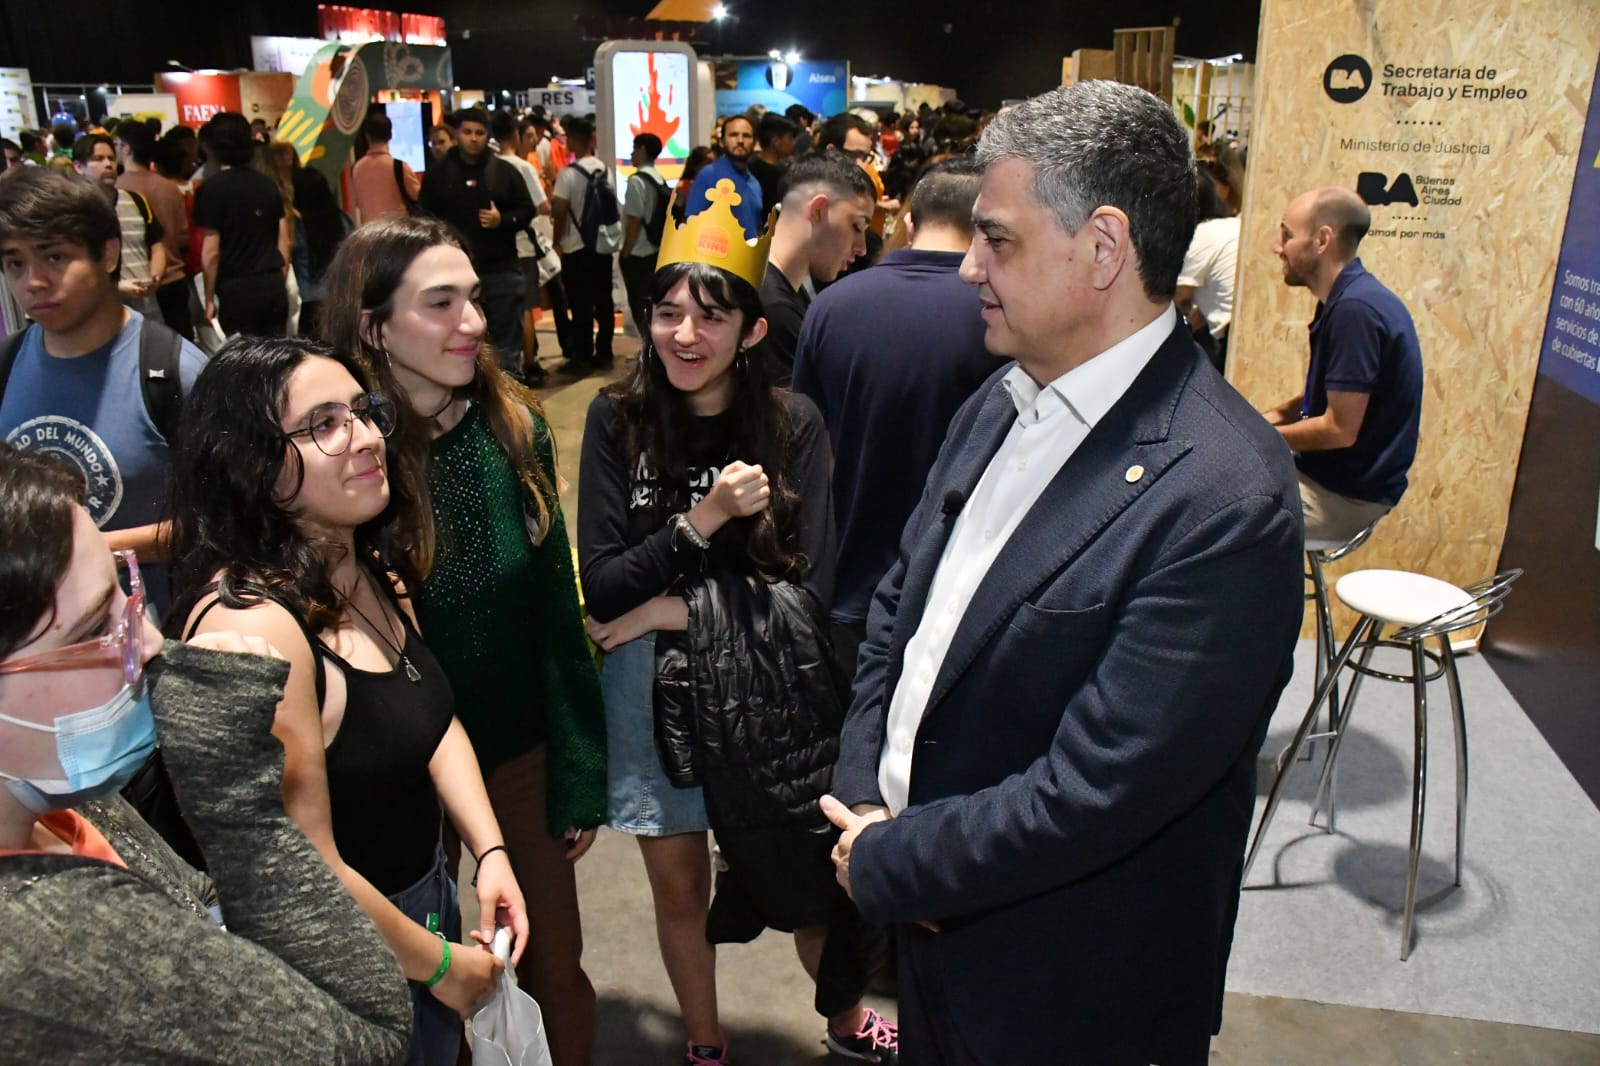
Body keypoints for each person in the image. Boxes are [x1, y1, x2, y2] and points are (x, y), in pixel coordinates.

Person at [822, 81, 1304, 1065]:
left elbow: (1097, 789)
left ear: (1104, 247)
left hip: (1073, 993)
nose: (966, 269)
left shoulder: (1223, 496)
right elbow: (899, 620)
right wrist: (864, 791)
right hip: (931, 948)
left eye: (996, 240)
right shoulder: (998, 399)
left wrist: (889, 859)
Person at [578, 182, 896, 1066]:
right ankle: (706, 1042)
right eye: (668, 313)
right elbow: (601, 586)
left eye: (711, 317)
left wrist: (662, 607)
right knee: (679, 889)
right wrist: (702, 524)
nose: (686, 335)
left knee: (810, 886)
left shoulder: (792, 425)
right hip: (656, 696)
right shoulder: (617, 419)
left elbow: (808, 592)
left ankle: (841, 1025)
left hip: (774, 699)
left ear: (753, 331)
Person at [166, 335, 529, 1065]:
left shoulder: (367, 571)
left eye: (363, 412)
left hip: (423, 906)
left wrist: (489, 850)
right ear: (252, 464)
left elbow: (433, 718)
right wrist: (438, 966)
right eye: (323, 424)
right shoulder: (255, 631)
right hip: (342, 969)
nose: (363, 438)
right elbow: (303, 867)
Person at [0, 442, 413, 1063]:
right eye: (92, 630)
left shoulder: (64, 804)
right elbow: (369, 1034)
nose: (149, 640)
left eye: (126, 594)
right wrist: (235, 799)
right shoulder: (42, 950)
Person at [324, 216, 608, 1066]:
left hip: (515, 759)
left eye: (475, 300)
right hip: (387, 777)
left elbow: (557, 607)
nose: (474, 323)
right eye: (440, 303)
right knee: (408, 981)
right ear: (374, 325)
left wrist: (579, 766)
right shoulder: (339, 452)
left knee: (552, 966)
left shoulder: (511, 426)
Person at [790, 159, 994, 680]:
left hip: (847, 573)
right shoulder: (997, 314)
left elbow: (808, 448)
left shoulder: (830, 307)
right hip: (952, 585)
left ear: (908, 222)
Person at [0, 166, 206, 616]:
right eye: (16, 263)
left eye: (54, 258)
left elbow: (226, 520)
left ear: (108, 254)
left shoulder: (172, 371)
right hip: (36, 639)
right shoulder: (8, 364)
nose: (33, 282)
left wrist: (81, 550)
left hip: (157, 636)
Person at [1262, 185, 1423, 542]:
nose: (1277, 246)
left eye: (1286, 235)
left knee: (1208, 510)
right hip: (1326, 481)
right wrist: (1260, 422)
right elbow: (1315, 399)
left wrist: (1260, 438)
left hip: (1345, 498)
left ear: (1322, 240)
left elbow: (1339, 428)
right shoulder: (1343, 299)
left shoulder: (1356, 311)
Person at [419, 107, 535, 379]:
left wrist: (502, 220)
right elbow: (423, 217)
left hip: (501, 270)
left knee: (506, 353)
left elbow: (527, 209)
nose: (473, 138)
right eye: (467, 132)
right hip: (451, 275)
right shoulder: (439, 175)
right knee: (460, 347)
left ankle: (508, 411)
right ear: (457, 134)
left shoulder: (504, 171)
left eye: (480, 133)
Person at [757, 152, 876, 386]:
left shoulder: (777, 284)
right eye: (857, 226)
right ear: (818, 210)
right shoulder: (773, 308)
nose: (861, 248)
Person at [193, 113, 290, 337]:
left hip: (236, 289)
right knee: (276, 357)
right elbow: (283, 239)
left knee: (245, 361)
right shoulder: (267, 184)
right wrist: (279, 278)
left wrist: (208, 298)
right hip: (272, 281)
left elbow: (211, 252)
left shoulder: (211, 189)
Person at [490, 108, 555, 385]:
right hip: (524, 245)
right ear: (515, 136)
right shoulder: (522, 167)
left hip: (500, 248)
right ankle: (529, 363)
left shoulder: (491, 168)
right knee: (527, 306)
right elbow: (542, 205)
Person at [551, 115, 621, 368]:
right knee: (604, 300)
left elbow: (559, 211)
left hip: (576, 247)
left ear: (571, 140)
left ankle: (583, 354)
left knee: (580, 303)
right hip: (601, 246)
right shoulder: (605, 169)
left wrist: (556, 241)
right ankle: (605, 350)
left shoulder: (567, 175)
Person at [72, 133, 167, 321]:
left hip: (147, 305)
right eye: (98, 159)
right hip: (104, 310)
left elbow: (156, 247)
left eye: (111, 158)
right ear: (78, 167)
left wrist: (156, 275)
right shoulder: (74, 211)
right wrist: (115, 286)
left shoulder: (136, 200)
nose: (108, 164)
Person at [115, 121, 193, 339]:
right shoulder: (169, 187)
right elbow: (182, 235)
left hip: (139, 285)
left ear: (127, 148)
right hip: (174, 278)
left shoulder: (118, 189)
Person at [1176, 168, 1240, 372]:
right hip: (1244, 327)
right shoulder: (1234, 225)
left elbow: (1177, 302)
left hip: (1227, 340)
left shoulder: (1200, 236)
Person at [620, 132, 668, 342]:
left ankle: (648, 349)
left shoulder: (637, 181)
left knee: (639, 304)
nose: (631, 153)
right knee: (654, 302)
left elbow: (634, 219)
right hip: (657, 249)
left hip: (639, 251)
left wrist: (626, 250)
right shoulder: (659, 179)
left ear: (642, 150)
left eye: (634, 148)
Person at [686, 114, 762, 239]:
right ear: (722, 141)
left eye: (747, 136)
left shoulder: (755, 183)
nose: (740, 140)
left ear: (754, 142)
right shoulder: (708, 175)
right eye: (733, 135)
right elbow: (692, 224)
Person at [352, 111, 423, 223]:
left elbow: (356, 202)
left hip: (370, 232)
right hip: (397, 231)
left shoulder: (357, 168)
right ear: (391, 135)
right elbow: (418, 195)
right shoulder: (399, 166)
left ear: (367, 136)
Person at [749, 113, 798, 216]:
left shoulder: (751, 165)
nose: (793, 142)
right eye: (789, 138)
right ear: (776, 141)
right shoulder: (757, 172)